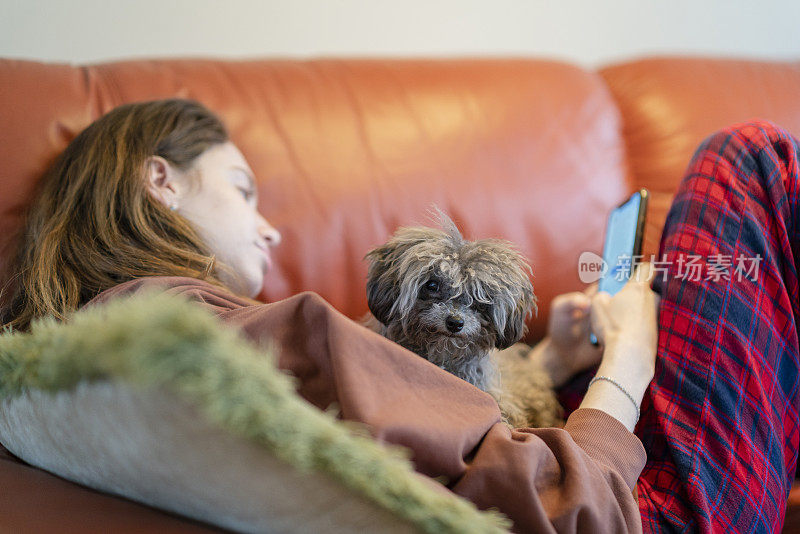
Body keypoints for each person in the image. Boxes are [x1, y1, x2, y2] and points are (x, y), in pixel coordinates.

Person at [0, 98, 794, 533]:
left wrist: (554, 366)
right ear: (160, 183)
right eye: (244, 189)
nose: (271, 225)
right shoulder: (196, 326)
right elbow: (564, 504)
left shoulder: (90, 347)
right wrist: (626, 361)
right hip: (638, 506)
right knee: (750, 158)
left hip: (582, 451)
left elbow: (442, 423)